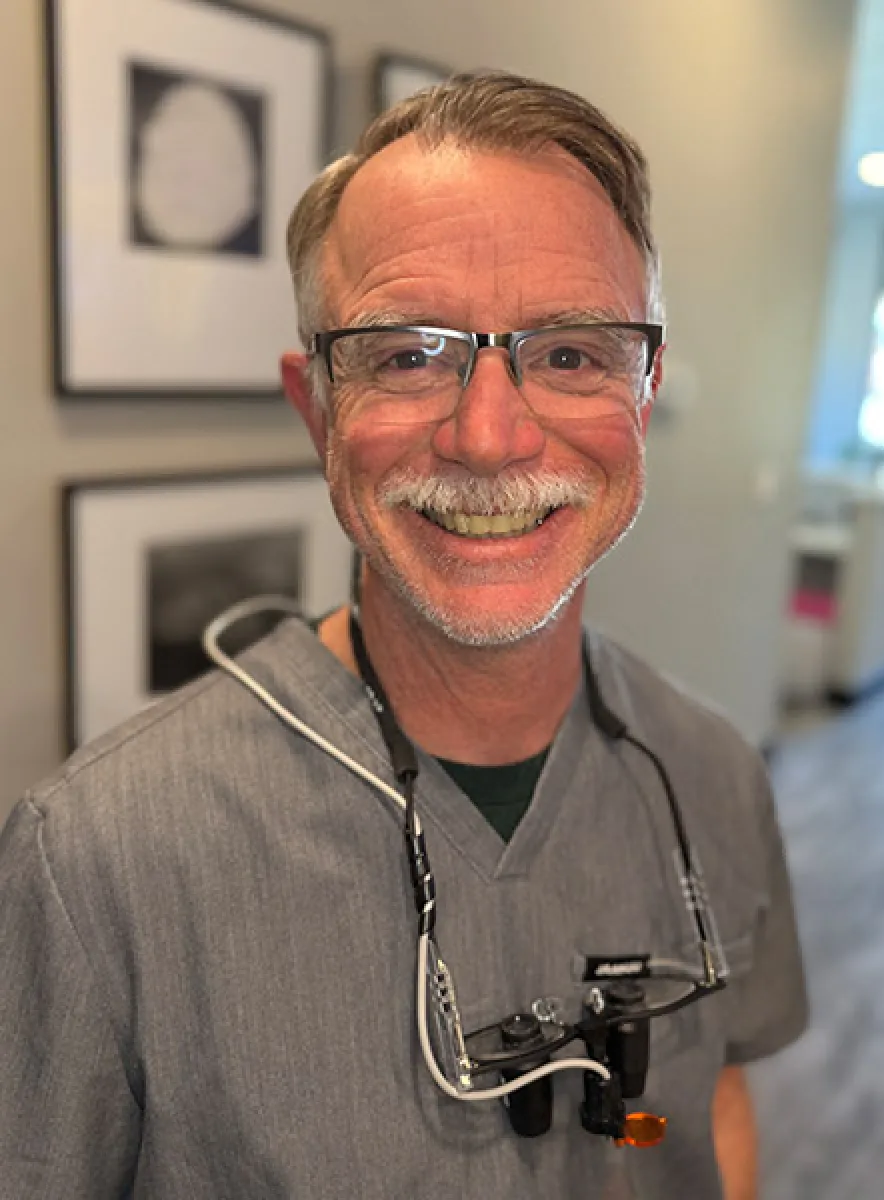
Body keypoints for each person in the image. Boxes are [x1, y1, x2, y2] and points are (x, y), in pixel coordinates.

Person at [0, 72, 807, 1198]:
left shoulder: (710, 775)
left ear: (644, 388)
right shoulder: (98, 860)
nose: (488, 436)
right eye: (406, 354)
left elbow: (714, 1101)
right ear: (316, 407)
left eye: (571, 352)